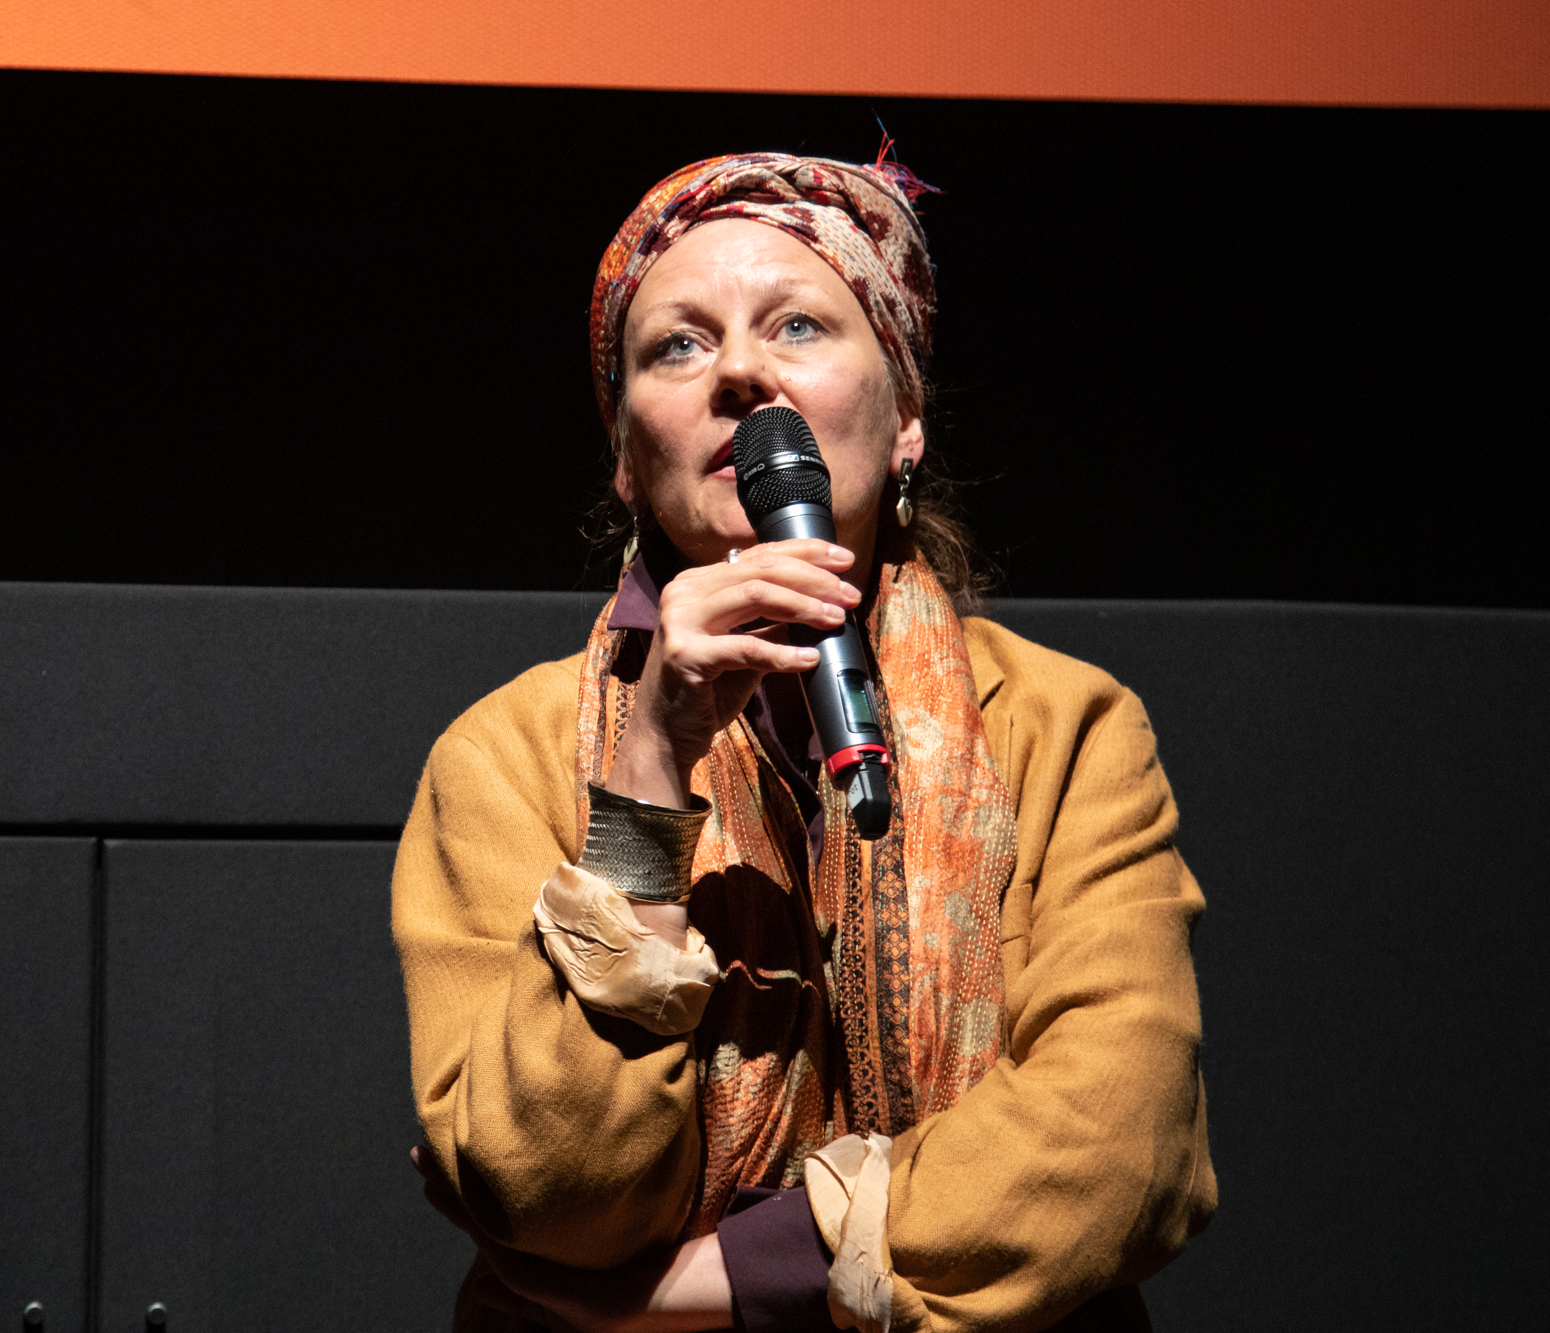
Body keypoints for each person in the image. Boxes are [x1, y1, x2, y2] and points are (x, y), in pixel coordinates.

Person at [392, 147, 1216, 1333]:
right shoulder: (499, 754)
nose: (739, 370)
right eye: (677, 346)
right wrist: (644, 777)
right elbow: (546, 1189)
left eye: (796, 325)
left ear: (905, 421)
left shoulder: (1066, 728)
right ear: (625, 459)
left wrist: (722, 1280)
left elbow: (1117, 1149)